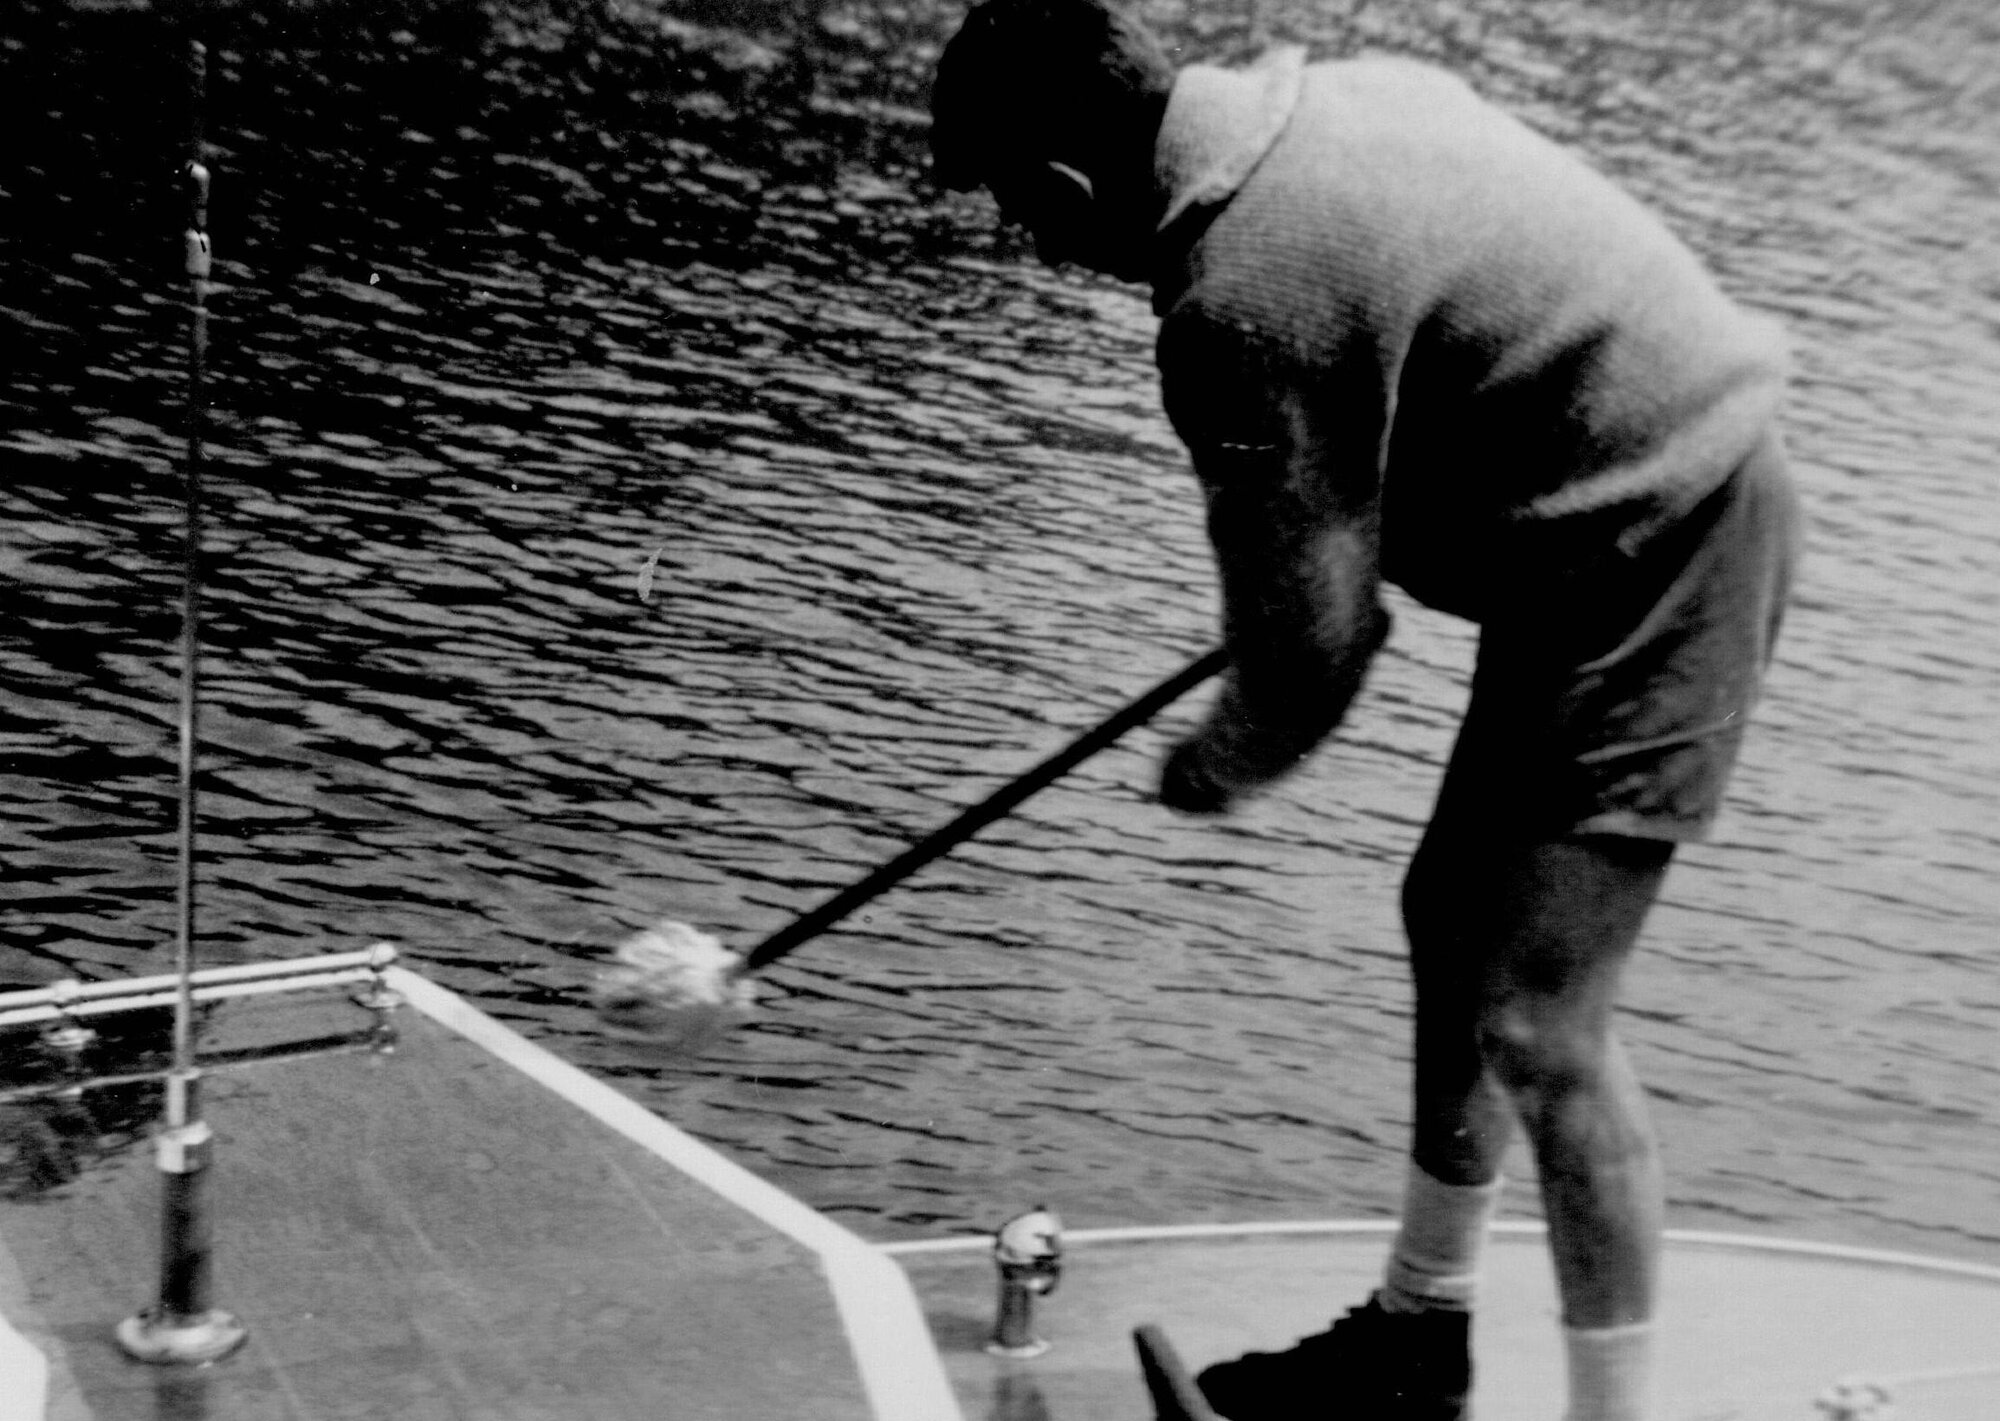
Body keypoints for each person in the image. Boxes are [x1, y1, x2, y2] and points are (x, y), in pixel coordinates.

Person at [929, 3, 1799, 1420]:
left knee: (1539, 1021)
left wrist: (1219, 757)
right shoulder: (1329, 101)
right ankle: (1418, 1338)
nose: (1037, 252)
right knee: (1455, 916)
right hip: (1590, 531)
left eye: (1019, 219)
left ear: (1065, 190)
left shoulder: (1238, 295)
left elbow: (1318, 648)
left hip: (1670, 537)